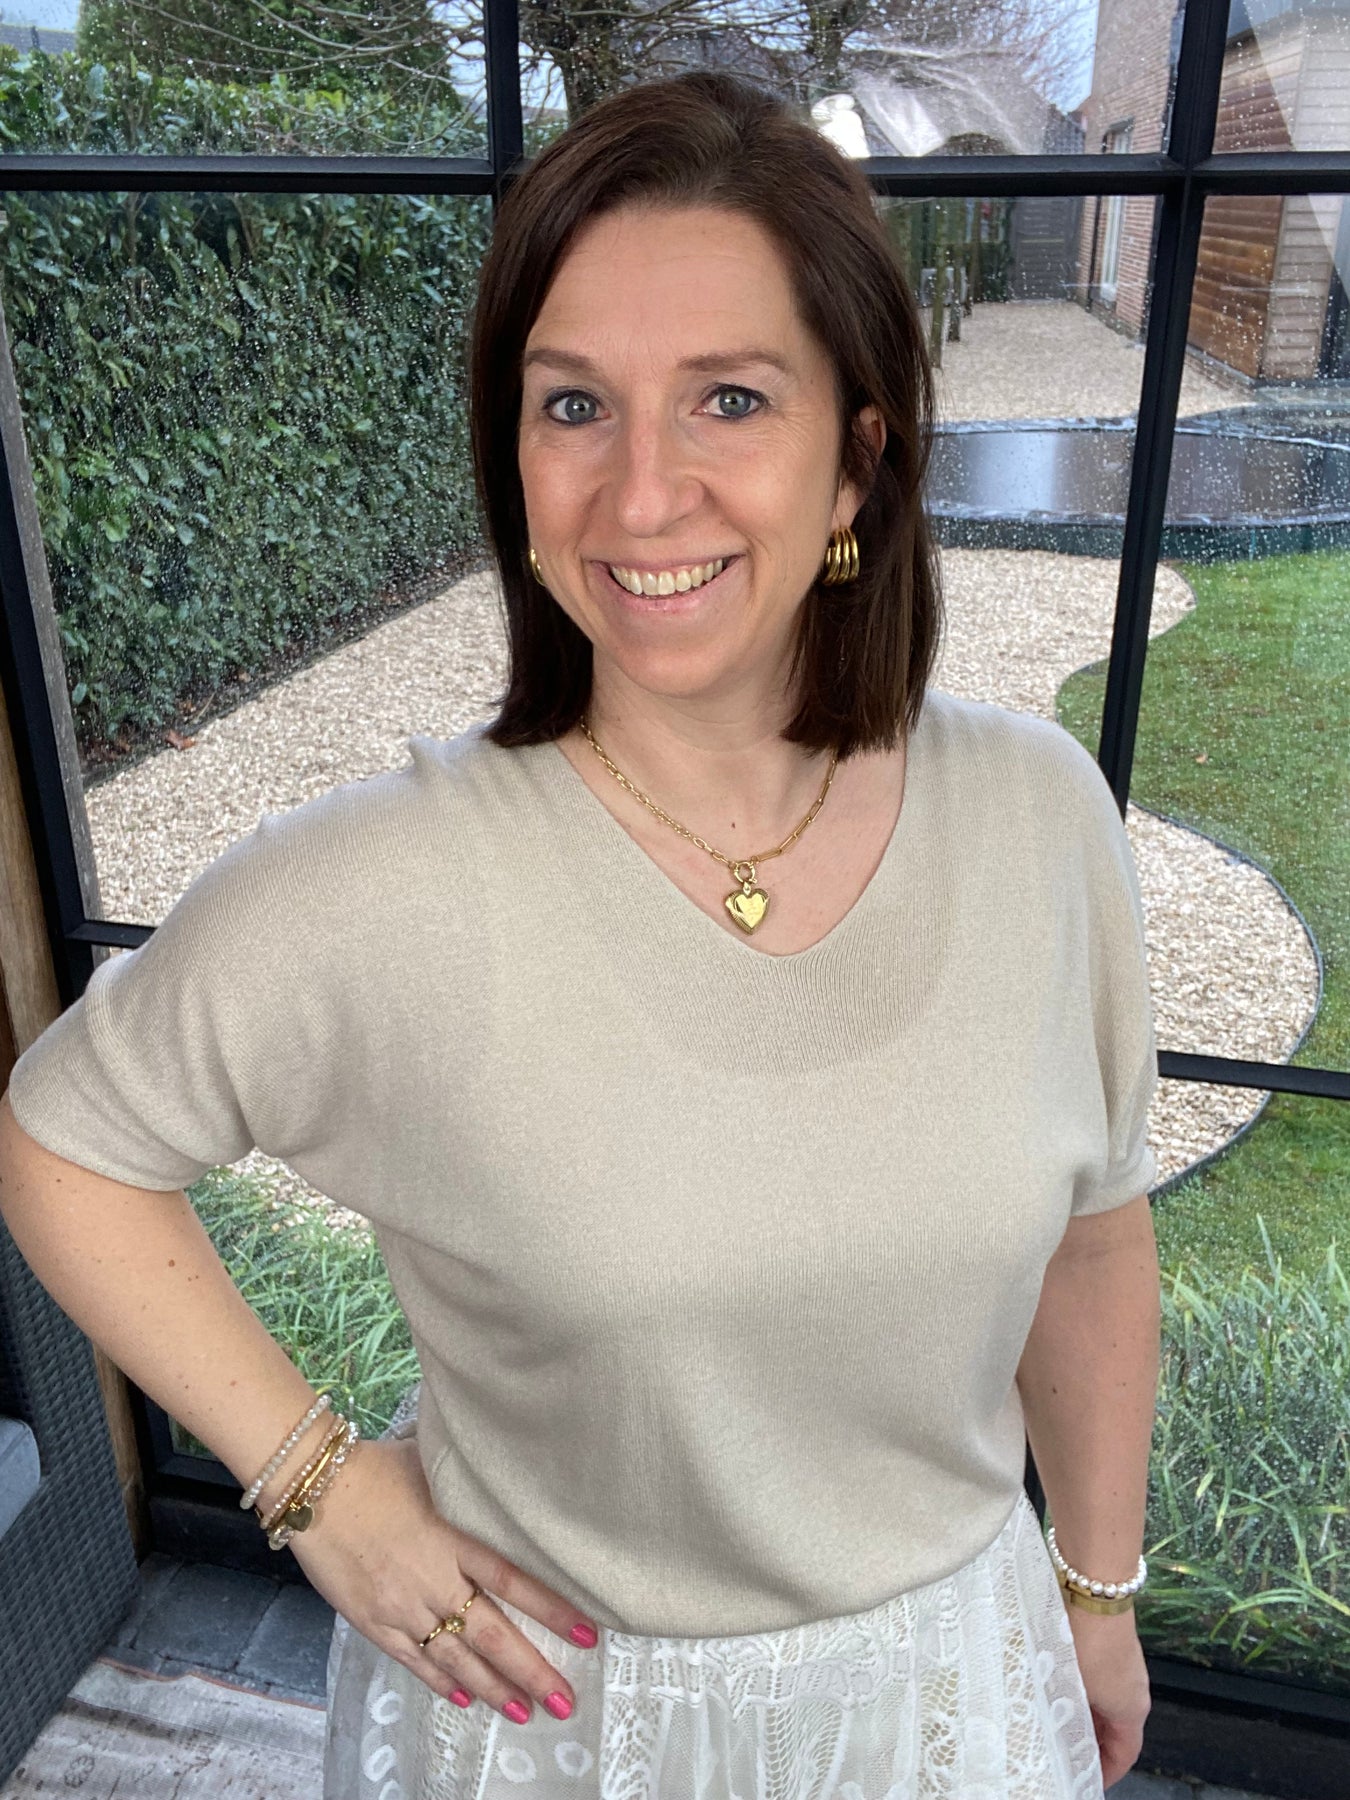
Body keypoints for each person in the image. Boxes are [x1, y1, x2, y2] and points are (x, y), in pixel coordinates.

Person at [0, 68, 1162, 1799]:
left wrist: (1098, 1593)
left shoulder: (1038, 816)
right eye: (573, 406)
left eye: (728, 399)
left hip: (949, 1700)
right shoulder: (388, 882)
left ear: (858, 458)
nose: (638, 494)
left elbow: (1091, 1243)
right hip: (560, 1724)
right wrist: (319, 1488)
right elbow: (65, 1141)